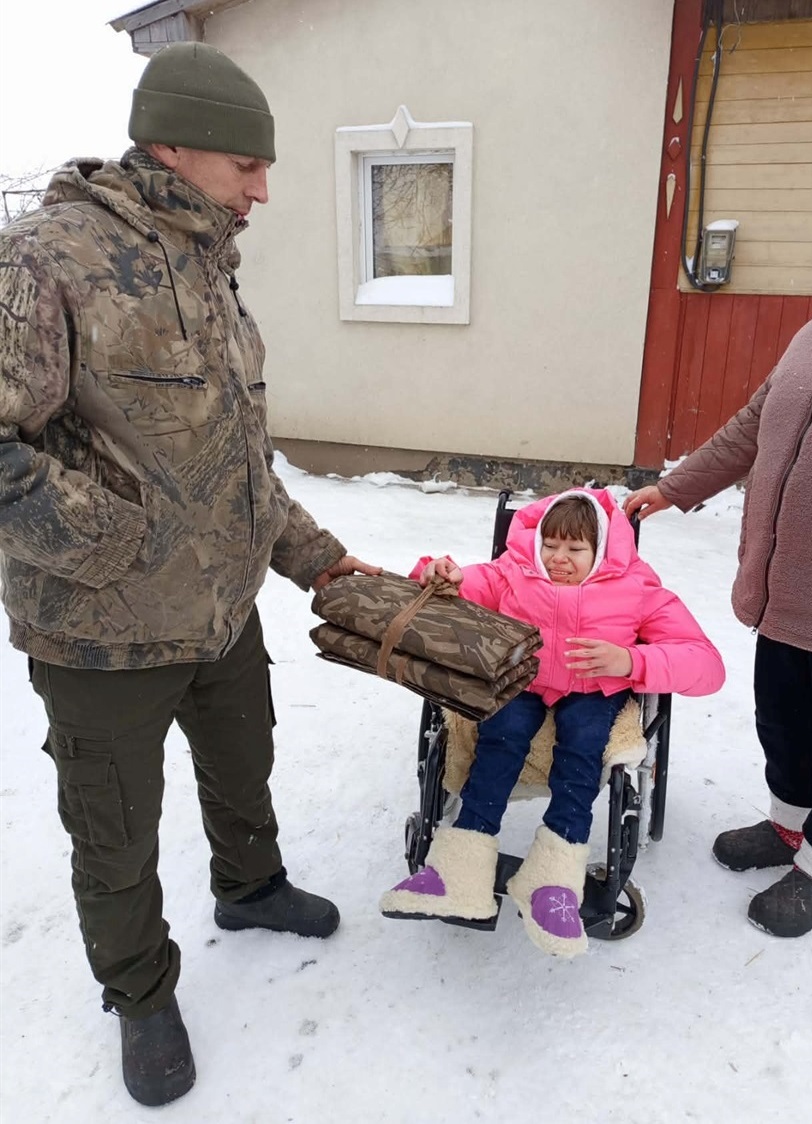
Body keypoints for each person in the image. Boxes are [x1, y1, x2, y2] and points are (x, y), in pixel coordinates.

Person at [0, 43, 380, 1106]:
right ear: (169, 144)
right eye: (244, 166)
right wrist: (114, 543)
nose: (262, 188)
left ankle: (249, 886)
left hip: (219, 610)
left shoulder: (208, 262)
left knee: (241, 757)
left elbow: (230, 464)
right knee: (112, 825)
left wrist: (317, 559)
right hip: (102, 631)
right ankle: (138, 989)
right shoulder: (47, 257)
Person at [625, 162, 812, 941]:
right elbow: (757, 419)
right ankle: (787, 826)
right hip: (786, 581)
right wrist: (674, 487)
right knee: (783, 721)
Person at [380, 489, 725, 957]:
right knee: (500, 736)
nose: (559, 559)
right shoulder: (513, 572)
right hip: (523, 680)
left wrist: (629, 659)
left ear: (600, 549)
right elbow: (459, 584)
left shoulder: (636, 589)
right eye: (551, 545)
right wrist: (437, 572)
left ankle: (552, 880)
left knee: (581, 751)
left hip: (591, 690)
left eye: (575, 549)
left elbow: (705, 664)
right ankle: (460, 866)